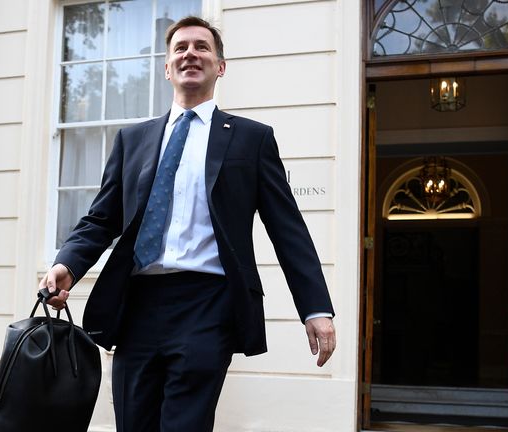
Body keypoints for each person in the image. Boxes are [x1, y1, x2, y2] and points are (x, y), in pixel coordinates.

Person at [39, 16, 336, 432]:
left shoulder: (251, 139)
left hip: (207, 304)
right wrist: (66, 265)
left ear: (220, 66)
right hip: (137, 303)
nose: (190, 54)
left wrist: (315, 308)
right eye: (180, 48)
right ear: (167, 67)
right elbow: (101, 219)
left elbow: (288, 229)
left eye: (201, 47)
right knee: (133, 422)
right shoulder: (133, 139)